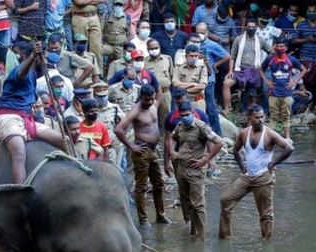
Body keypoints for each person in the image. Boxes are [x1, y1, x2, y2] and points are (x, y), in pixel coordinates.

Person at [0, 41, 66, 183]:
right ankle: (20, 190)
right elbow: (21, 74)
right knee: (19, 153)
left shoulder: (34, 73)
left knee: (63, 140)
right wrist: (32, 57)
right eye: (42, 56)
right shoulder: (19, 70)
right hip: (9, 119)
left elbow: (3, 97)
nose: (43, 59)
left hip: (27, 119)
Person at [218, 104, 294, 240]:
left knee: (266, 214)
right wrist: (242, 166)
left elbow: (289, 148)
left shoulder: (269, 133)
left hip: (263, 177)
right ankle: (225, 237)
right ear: (250, 118)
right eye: (257, 117)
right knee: (226, 200)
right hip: (247, 176)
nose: (260, 120)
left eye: (262, 117)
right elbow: (236, 150)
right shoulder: (244, 133)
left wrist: (274, 163)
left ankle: (266, 244)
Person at [114, 84, 171, 226]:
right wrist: (131, 146)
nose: (149, 102)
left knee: (159, 183)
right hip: (142, 150)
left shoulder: (154, 104)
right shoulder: (136, 111)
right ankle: (143, 219)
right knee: (141, 186)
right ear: (141, 97)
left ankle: (160, 215)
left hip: (154, 150)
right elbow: (118, 129)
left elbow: (160, 90)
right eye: (146, 100)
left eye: (151, 99)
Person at [166, 101, 224, 239]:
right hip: (181, 168)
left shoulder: (201, 126)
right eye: (182, 115)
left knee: (198, 204)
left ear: (192, 112)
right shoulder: (180, 126)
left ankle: (201, 236)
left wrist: (207, 159)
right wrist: (172, 152)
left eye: (187, 115)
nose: (184, 117)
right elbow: (172, 138)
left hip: (196, 170)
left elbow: (219, 142)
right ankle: (192, 232)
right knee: (185, 200)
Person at [260, 38, 306, 142]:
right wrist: (267, 82)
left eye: (282, 46)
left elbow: (303, 69)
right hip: (273, 92)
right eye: (278, 46)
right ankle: (272, 138)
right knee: (274, 115)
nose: (280, 48)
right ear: (275, 47)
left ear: (286, 48)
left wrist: (294, 82)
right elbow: (260, 69)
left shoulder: (291, 59)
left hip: (287, 92)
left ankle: (287, 137)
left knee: (286, 115)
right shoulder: (270, 59)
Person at [224, 17, 270, 115]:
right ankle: (227, 110)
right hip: (239, 70)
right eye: (249, 27)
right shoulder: (238, 39)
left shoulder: (260, 40)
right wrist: (230, 71)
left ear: (256, 28)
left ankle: (247, 113)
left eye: (253, 27)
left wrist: (263, 66)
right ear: (245, 27)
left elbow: (270, 52)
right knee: (226, 83)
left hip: (254, 71)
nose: (251, 29)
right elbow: (232, 57)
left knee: (251, 94)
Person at [190, 27, 230, 136]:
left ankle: (217, 133)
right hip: (193, 82)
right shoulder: (189, 46)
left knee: (211, 107)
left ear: (207, 33)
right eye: (198, 32)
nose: (200, 35)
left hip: (208, 81)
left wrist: (214, 65)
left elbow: (227, 56)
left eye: (202, 33)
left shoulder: (211, 45)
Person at [92, 82, 125, 163]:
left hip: (112, 147)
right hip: (96, 147)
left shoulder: (115, 108)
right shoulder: (91, 110)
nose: (103, 98)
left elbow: (123, 124)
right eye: (100, 96)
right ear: (94, 96)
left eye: (104, 96)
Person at [145, 38, 173, 124]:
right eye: (151, 49)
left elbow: (172, 76)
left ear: (160, 47)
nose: (154, 50)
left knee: (166, 119)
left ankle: (165, 137)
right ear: (147, 49)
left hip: (165, 93)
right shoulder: (144, 61)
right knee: (150, 118)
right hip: (150, 95)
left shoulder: (167, 59)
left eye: (156, 48)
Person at [172, 44, 207, 112]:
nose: (194, 58)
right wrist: (193, 84)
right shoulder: (179, 68)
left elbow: (202, 86)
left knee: (200, 121)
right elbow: (175, 83)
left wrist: (184, 90)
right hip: (182, 101)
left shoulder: (202, 67)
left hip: (198, 101)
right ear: (186, 56)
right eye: (191, 56)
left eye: (196, 56)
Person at [71, 0, 104, 71]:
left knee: (97, 47)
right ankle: (81, 73)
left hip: (94, 17)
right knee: (81, 47)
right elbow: (79, 2)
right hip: (79, 17)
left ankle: (97, 74)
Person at [103, 0, 132, 64]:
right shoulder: (107, 16)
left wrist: (125, 43)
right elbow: (102, 30)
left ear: (123, 6)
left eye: (120, 5)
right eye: (116, 5)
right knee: (98, 51)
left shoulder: (127, 18)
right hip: (109, 46)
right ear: (113, 6)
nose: (118, 7)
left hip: (120, 47)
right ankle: (100, 72)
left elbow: (130, 33)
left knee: (123, 63)